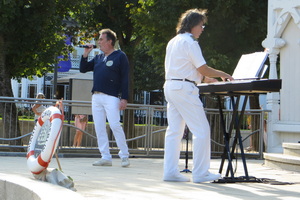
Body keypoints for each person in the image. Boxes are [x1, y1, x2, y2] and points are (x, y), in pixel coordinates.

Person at [163, 9, 234, 183]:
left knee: (174, 132)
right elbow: (202, 68)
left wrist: (208, 79)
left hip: (171, 86)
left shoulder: (174, 41)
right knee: (201, 130)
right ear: (193, 25)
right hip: (184, 89)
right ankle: (201, 173)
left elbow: (188, 69)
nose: (202, 29)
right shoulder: (190, 42)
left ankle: (170, 172)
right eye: (201, 25)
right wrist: (222, 74)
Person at [79, 28, 130, 167]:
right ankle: (105, 156)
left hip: (112, 97)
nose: (99, 42)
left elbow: (125, 78)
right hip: (96, 96)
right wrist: (85, 54)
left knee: (114, 125)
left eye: (101, 39)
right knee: (99, 127)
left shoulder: (120, 56)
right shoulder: (98, 58)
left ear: (110, 41)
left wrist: (124, 98)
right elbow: (83, 69)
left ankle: (124, 155)